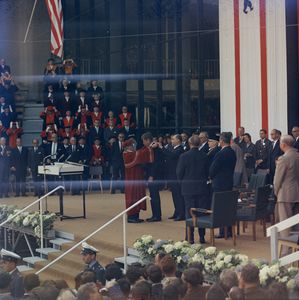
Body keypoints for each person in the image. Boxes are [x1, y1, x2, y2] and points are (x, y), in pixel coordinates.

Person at [176, 135, 209, 244]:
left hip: (188, 188)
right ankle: (202, 237)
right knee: (201, 212)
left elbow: (179, 173)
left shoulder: (184, 156)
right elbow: (207, 172)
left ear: (189, 144)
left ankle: (190, 238)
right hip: (202, 187)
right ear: (199, 144)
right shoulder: (204, 155)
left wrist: (183, 182)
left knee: (189, 213)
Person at [274, 135, 299, 253]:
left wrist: (276, 191)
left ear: (283, 145)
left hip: (285, 194)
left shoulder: (283, 158)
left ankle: (285, 251)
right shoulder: (297, 156)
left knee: (285, 224)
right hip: (296, 192)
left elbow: (277, 180)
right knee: (295, 223)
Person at [209, 132, 236, 238]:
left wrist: (210, 176)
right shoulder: (232, 152)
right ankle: (228, 230)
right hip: (228, 182)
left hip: (219, 183)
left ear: (221, 141)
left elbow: (213, 169)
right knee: (227, 207)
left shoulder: (221, 153)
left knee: (219, 208)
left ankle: (222, 231)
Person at [123, 138, 154, 223]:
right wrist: (148, 148)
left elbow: (140, 152)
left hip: (137, 178)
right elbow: (140, 154)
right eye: (132, 145)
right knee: (132, 196)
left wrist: (146, 147)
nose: (134, 146)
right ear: (128, 147)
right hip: (131, 179)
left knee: (137, 196)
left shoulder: (132, 153)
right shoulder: (127, 154)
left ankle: (136, 216)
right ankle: (131, 217)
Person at [161, 134, 185, 221]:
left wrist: (162, 148)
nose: (171, 141)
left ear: (178, 140)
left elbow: (172, 155)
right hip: (171, 175)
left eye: (173, 139)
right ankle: (177, 212)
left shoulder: (180, 149)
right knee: (174, 195)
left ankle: (181, 213)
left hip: (176, 176)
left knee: (178, 195)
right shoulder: (172, 148)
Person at [143, 133, 162, 222]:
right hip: (151, 175)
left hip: (154, 176)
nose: (143, 143)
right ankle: (155, 214)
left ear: (147, 140)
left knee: (154, 196)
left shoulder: (155, 149)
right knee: (153, 195)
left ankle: (157, 215)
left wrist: (151, 176)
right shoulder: (150, 149)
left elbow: (156, 164)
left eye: (144, 141)